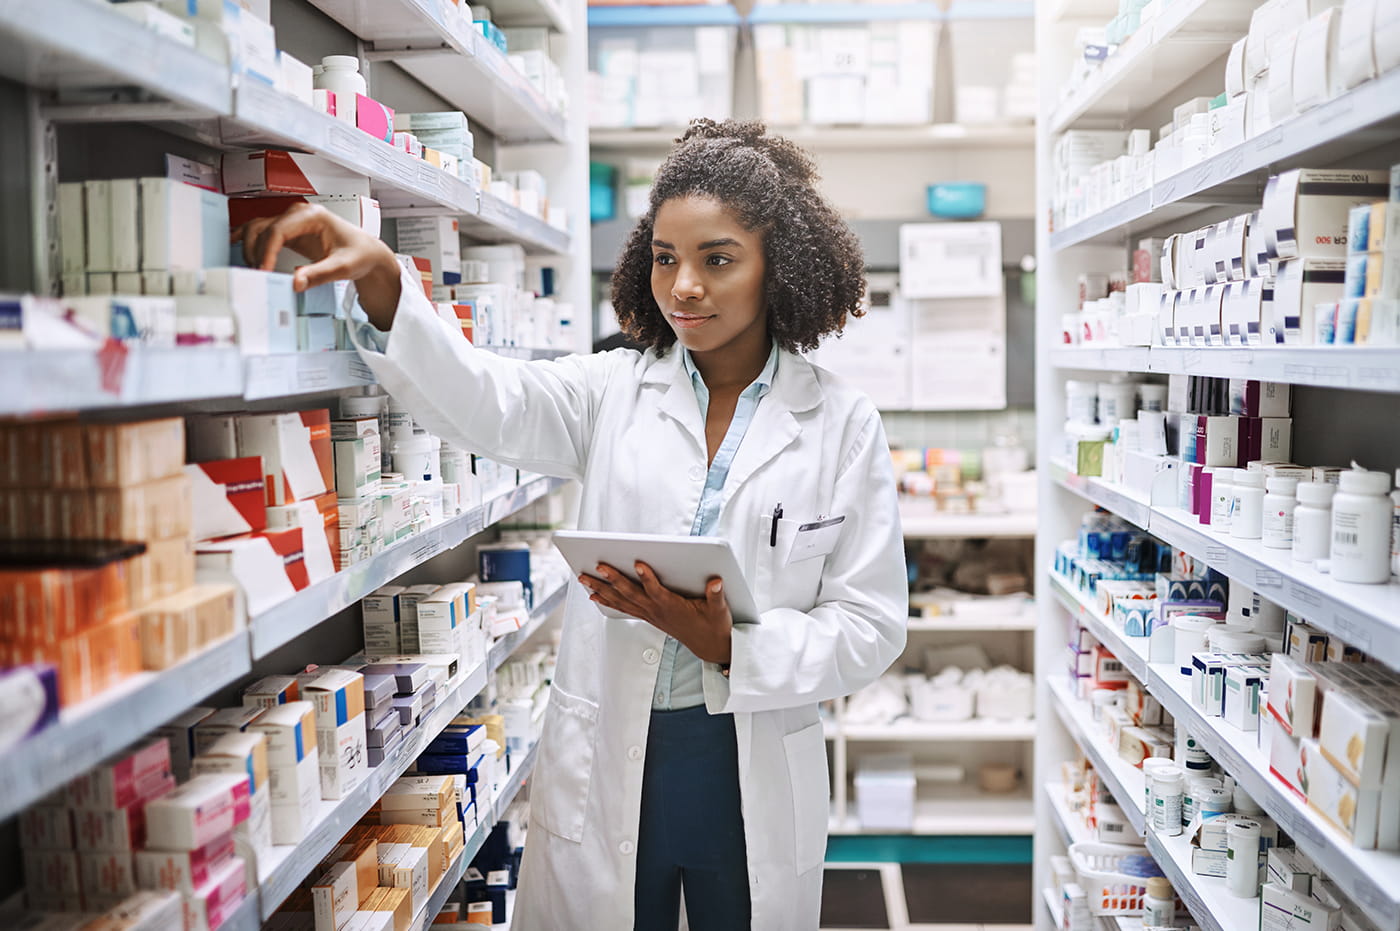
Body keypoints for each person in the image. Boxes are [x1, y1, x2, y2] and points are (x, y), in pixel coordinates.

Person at [236, 118, 908, 931]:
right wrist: (387, 286)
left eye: (717, 259)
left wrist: (730, 643)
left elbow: (870, 624)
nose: (684, 286)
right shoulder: (610, 390)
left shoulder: (840, 421)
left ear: (780, 269)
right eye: (665, 258)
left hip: (747, 760)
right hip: (615, 755)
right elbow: (490, 399)